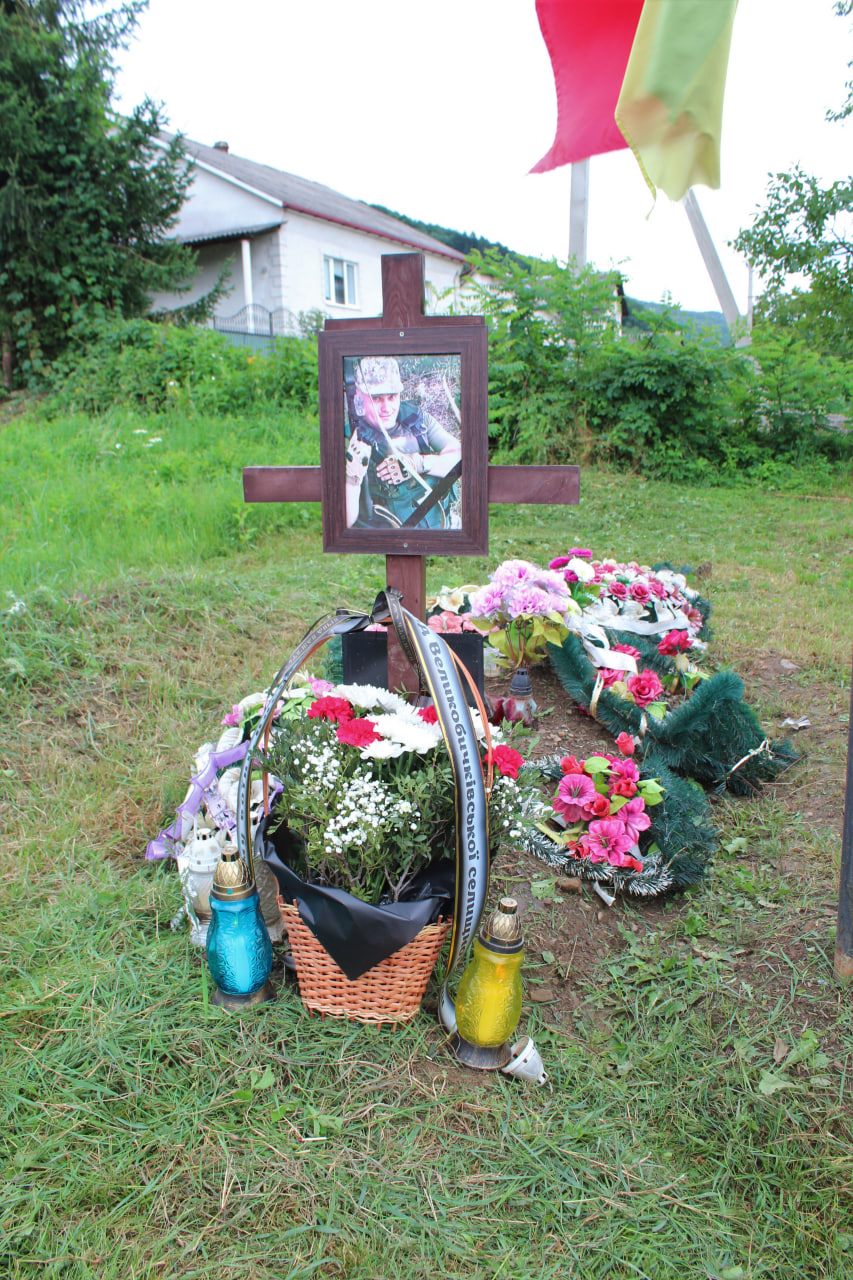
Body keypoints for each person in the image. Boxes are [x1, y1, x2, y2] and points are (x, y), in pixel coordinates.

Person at [344, 356, 462, 530]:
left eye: (392, 397)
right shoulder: (351, 438)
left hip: (444, 526)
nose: (386, 408)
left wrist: (417, 463)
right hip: (390, 538)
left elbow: (462, 459)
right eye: (376, 399)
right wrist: (353, 477)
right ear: (359, 398)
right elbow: (345, 522)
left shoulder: (416, 421)